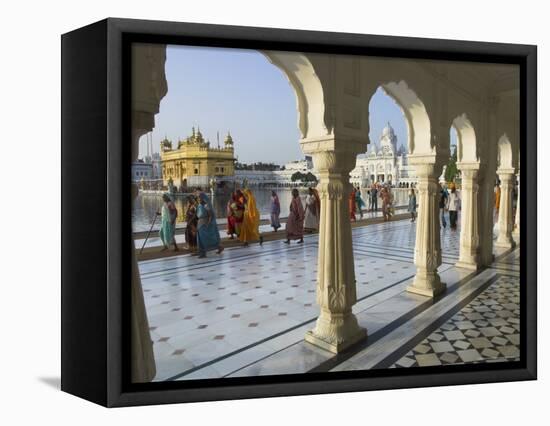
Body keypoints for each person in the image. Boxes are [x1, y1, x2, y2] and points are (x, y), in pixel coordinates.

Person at [196, 192, 224, 258]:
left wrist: (208, 223)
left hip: (204, 223)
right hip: (200, 223)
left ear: (203, 197)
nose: (199, 198)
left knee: (206, 239)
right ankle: (202, 253)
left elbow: (211, 215)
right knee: (200, 239)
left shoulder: (206, 205)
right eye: (198, 197)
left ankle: (218, 246)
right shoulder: (199, 205)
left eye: (200, 197)